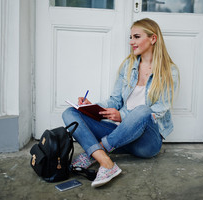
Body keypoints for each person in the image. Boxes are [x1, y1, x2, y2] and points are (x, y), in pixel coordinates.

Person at [62, 18, 179, 188]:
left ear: (153, 39)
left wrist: (122, 116)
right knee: (69, 113)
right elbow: (115, 100)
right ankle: (106, 162)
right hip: (119, 137)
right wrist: (91, 106)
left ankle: (94, 152)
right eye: (130, 37)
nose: (131, 42)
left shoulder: (170, 71)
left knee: (143, 111)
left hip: (146, 143)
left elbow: (158, 110)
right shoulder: (128, 65)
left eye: (136, 37)